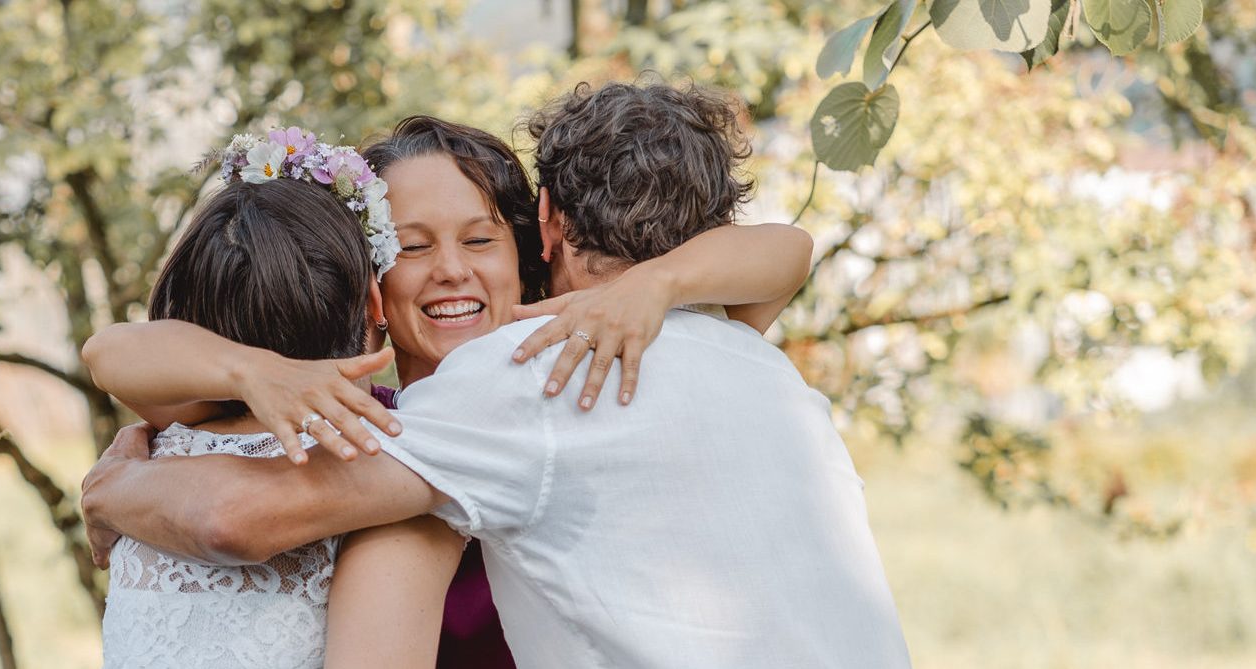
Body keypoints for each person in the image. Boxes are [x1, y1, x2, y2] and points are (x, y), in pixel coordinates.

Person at [82, 81, 911, 667]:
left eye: (480, 240)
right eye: (412, 246)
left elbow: (783, 252)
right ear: (368, 277)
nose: (451, 271)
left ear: (535, 237)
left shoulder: (563, 361)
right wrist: (245, 373)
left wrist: (114, 489)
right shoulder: (340, 413)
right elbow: (123, 358)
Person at [94, 138, 403, 668]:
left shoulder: (174, 433)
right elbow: (105, 353)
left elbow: (105, 352)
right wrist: (257, 371)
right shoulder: (386, 449)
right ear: (375, 301)